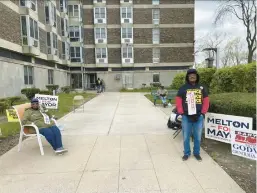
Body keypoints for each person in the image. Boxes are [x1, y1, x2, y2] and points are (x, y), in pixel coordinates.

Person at [175, 69, 209, 161]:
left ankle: (196, 153)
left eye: (194, 75)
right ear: (187, 77)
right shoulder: (183, 88)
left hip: (199, 116)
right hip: (186, 116)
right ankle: (186, 153)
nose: (192, 76)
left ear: (197, 76)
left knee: (197, 137)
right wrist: (181, 112)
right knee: (186, 137)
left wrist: (203, 113)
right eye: (190, 75)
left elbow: (206, 101)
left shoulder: (202, 87)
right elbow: (178, 101)